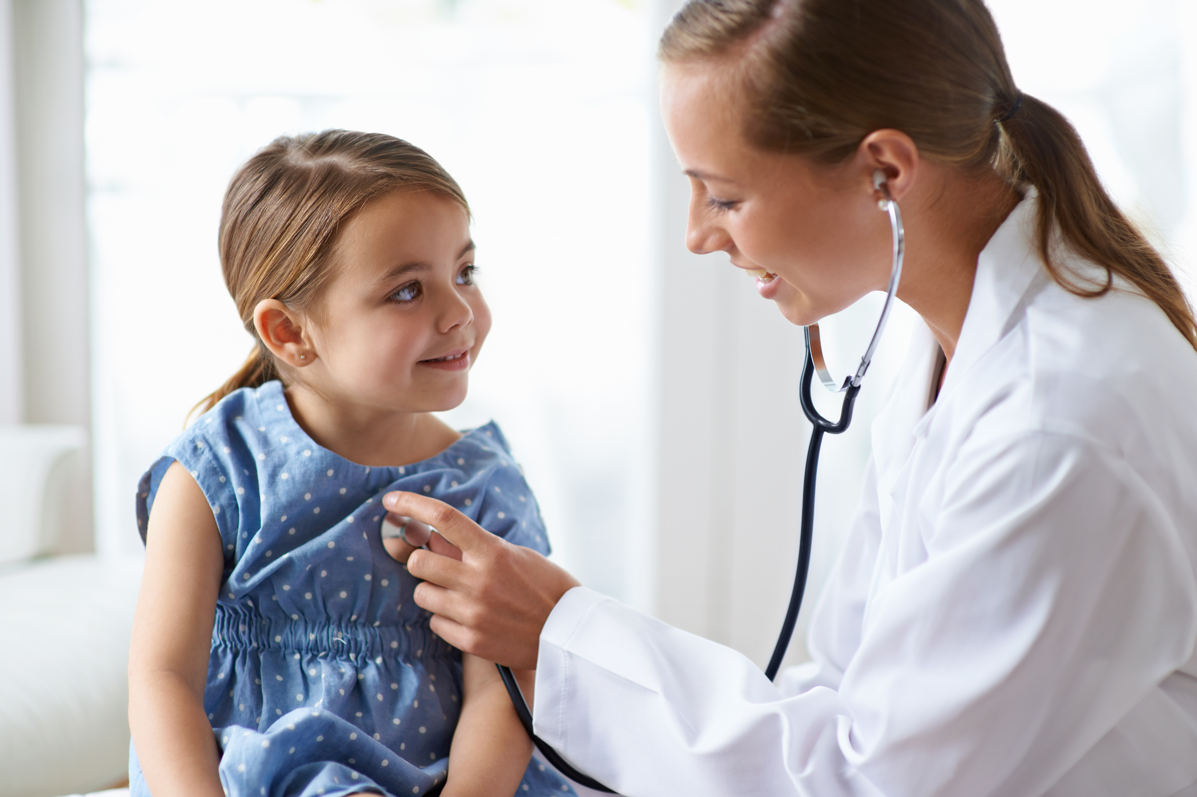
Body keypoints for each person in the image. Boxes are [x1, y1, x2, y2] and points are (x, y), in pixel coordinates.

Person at [383, 1, 1197, 795]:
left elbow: (871, 779)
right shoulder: (957, 348)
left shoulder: (1057, 422)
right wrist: (565, 641)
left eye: (725, 196)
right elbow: (851, 697)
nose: (698, 235)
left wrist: (560, 628)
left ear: (884, 171)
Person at [126, 130, 577, 797]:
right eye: (406, 292)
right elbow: (161, 674)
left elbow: (503, 689)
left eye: (464, 272)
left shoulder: (481, 485)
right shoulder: (217, 469)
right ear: (290, 332)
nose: (460, 313)